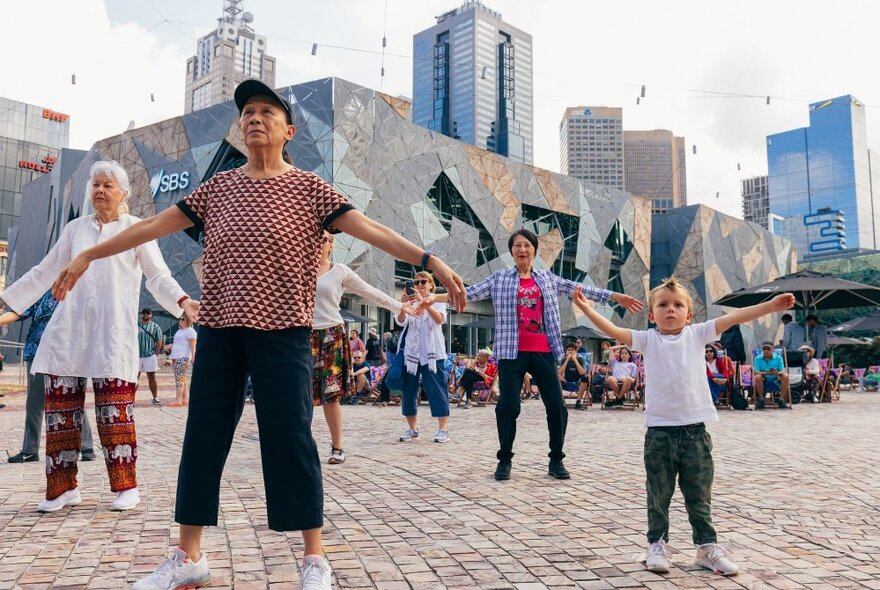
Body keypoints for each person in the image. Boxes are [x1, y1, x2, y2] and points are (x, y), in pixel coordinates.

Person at [51, 79, 466, 590]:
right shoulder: (218, 188)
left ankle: (314, 559)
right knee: (203, 439)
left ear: (288, 130)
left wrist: (431, 260)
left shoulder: (311, 190)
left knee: (291, 440)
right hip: (221, 333)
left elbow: (372, 229)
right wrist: (91, 251)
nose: (254, 117)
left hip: (284, 335)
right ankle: (189, 556)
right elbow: (153, 225)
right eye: (247, 111)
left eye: (266, 111)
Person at [0, 160, 193, 514]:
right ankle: (62, 488)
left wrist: (182, 302)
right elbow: (45, 271)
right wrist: (6, 301)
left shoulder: (136, 229)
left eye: (108, 185)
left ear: (124, 194)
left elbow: (158, 276)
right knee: (61, 412)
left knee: (114, 412)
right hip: (68, 332)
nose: (100, 191)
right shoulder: (75, 230)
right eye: (95, 185)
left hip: (112, 333)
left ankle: (125, 487)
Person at [573, 277, 795, 577]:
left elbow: (735, 317)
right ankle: (657, 544)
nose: (670, 310)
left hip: (695, 432)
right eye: (662, 305)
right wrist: (587, 309)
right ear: (652, 315)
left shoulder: (697, 334)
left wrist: (771, 305)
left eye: (678, 305)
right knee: (658, 493)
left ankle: (706, 547)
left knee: (698, 495)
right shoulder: (648, 340)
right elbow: (613, 331)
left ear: (689, 315)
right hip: (659, 433)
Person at [432, 228, 643, 480]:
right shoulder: (499, 279)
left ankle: (556, 460)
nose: (522, 250)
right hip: (512, 351)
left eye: (527, 246)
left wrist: (614, 296)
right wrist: (431, 298)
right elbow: (469, 293)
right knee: (507, 406)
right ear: (511, 251)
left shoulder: (547, 278)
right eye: (517, 246)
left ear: (534, 250)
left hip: (543, 350)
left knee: (556, 407)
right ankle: (504, 460)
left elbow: (577, 288)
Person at [312, 231, 410, 464]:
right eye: (315, 237)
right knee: (299, 395)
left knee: (331, 395)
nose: (318, 241)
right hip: (301, 335)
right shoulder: (297, 269)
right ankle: (298, 447)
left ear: (331, 246)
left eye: (324, 239)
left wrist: (399, 306)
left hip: (330, 336)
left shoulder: (340, 271)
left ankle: (337, 447)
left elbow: (370, 291)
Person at [1, 291, 95, 464]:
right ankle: (30, 450)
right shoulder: (39, 294)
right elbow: (17, 312)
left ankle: (87, 447)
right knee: (34, 403)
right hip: (36, 352)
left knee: (72, 399)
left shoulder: (76, 293)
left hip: (65, 353)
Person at [396, 271, 451, 443]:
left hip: (433, 353)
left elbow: (439, 320)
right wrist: (404, 306)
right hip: (411, 354)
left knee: (437, 389)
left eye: (423, 282)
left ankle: (443, 429)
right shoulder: (410, 301)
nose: (419, 285)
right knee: (409, 391)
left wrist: (425, 303)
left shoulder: (437, 299)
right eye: (417, 282)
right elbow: (400, 322)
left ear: (431, 284)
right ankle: (413, 430)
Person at [165, 315, 197, 406]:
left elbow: (193, 346)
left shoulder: (190, 331)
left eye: (183, 319)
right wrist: (168, 346)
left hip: (183, 357)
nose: (180, 320)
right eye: (179, 319)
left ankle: (178, 400)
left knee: (179, 378)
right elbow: (177, 344)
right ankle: (184, 399)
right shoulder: (179, 331)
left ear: (187, 320)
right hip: (176, 357)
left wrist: (193, 357)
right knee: (182, 378)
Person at [137, 308, 164, 404]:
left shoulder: (155, 327)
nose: (145, 314)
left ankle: (155, 397)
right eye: (143, 313)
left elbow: (159, 340)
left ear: (151, 315)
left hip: (150, 355)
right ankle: (130, 398)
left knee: (151, 377)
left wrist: (156, 353)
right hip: (137, 355)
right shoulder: (137, 325)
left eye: (147, 313)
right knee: (134, 377)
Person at [754, 342, 789, 409]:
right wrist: (766, 373)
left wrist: (776, 372)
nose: (766, 351)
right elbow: (756, 371)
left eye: (768, 349)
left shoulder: (778, 358)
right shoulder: (757, 358)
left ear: (772, 350)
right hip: (763, 378)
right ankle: (761, 399)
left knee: (786, 376)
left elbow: (782, 370)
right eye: (764, 349)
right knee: (757, 376)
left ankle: (781, 399)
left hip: (776, 378)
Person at [557, 342, 588, 410]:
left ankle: (578, 402)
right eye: (569, 350)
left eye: (572, 350)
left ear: (576, 351)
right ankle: (561, 401)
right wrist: (567, 360)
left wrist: (575, 360)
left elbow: (583, 373)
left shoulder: (580, 359)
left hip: (579, 382)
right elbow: (560, 373)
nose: (570, 351)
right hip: (566, 381)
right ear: (566, 351)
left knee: (585, 377)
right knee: (555, 376)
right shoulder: (564, 359)